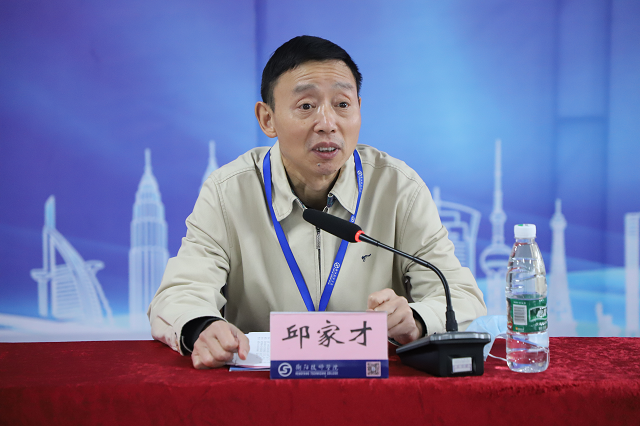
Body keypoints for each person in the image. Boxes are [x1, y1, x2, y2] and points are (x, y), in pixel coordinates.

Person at [148, 35, 486, 369]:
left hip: (371, 387)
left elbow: (459, 295)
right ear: (267, 119)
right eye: (306, 106)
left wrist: (416, 319)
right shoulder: (229, 192)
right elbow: (180, 292)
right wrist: (202, 327)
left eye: (342, 104)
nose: (327, 124)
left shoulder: (398, 188)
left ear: (359, 109)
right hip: (261, 387)